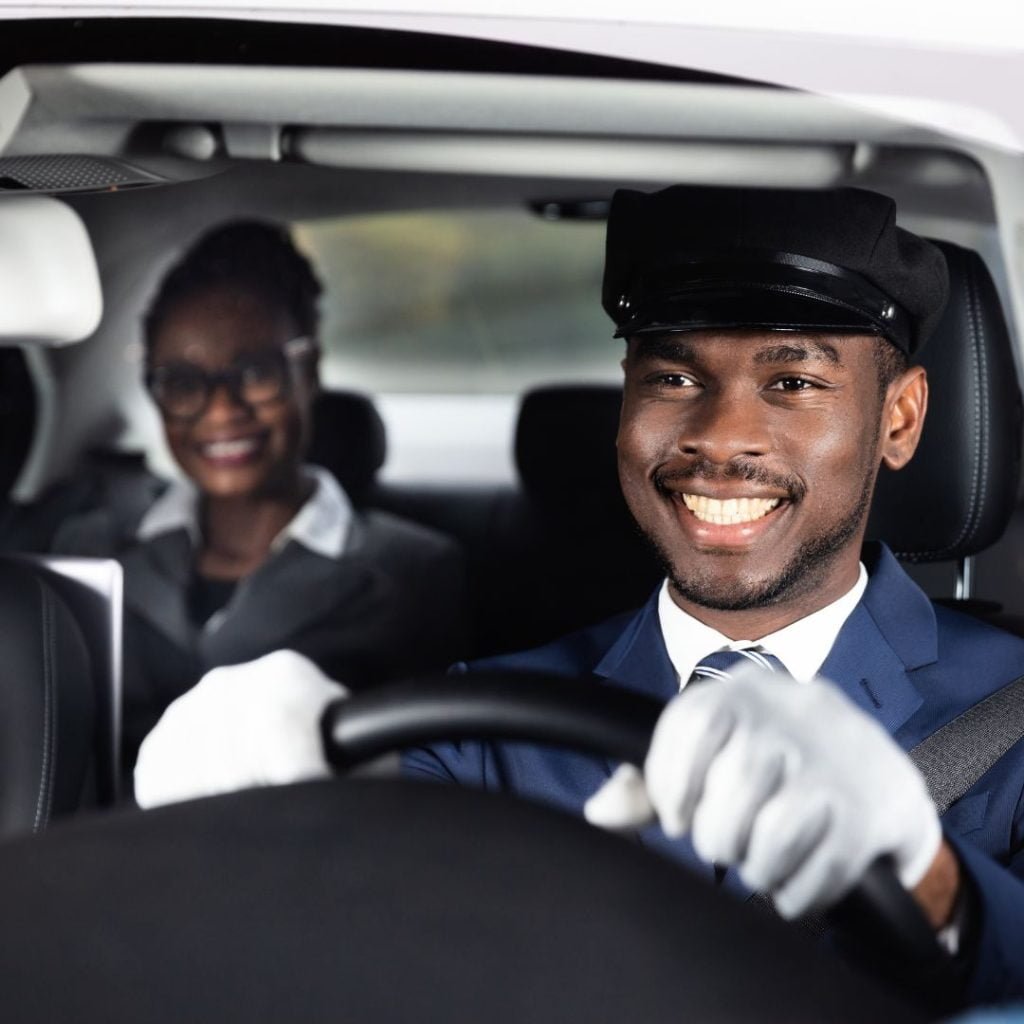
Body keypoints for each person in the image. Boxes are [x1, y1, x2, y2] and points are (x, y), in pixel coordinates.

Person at [133, 188, 1024, 1005]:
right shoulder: (485, 721)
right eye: (673, 378)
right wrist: (259, 828)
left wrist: (925, 875)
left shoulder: (1011, 717)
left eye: (792, 383)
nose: (720, 438)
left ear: (899, 421)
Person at [55, 221, 468, 773]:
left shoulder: (415, 573)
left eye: (254, 373)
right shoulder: (89, 545)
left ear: (310, 369)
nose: (222, 411)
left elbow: (431, 776)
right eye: (182, 382)